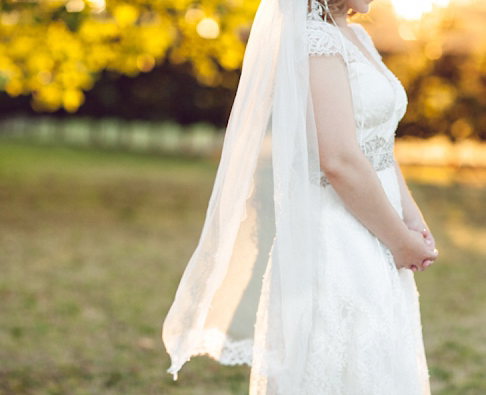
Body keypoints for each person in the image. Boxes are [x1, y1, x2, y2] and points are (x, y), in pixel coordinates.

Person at [162, 0, 438, 393]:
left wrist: (412, 221)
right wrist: (399, 241)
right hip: (339, 237)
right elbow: (339, 159)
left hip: (381, 227)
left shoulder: (356, 35)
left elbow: (378, 146)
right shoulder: (314, 41)